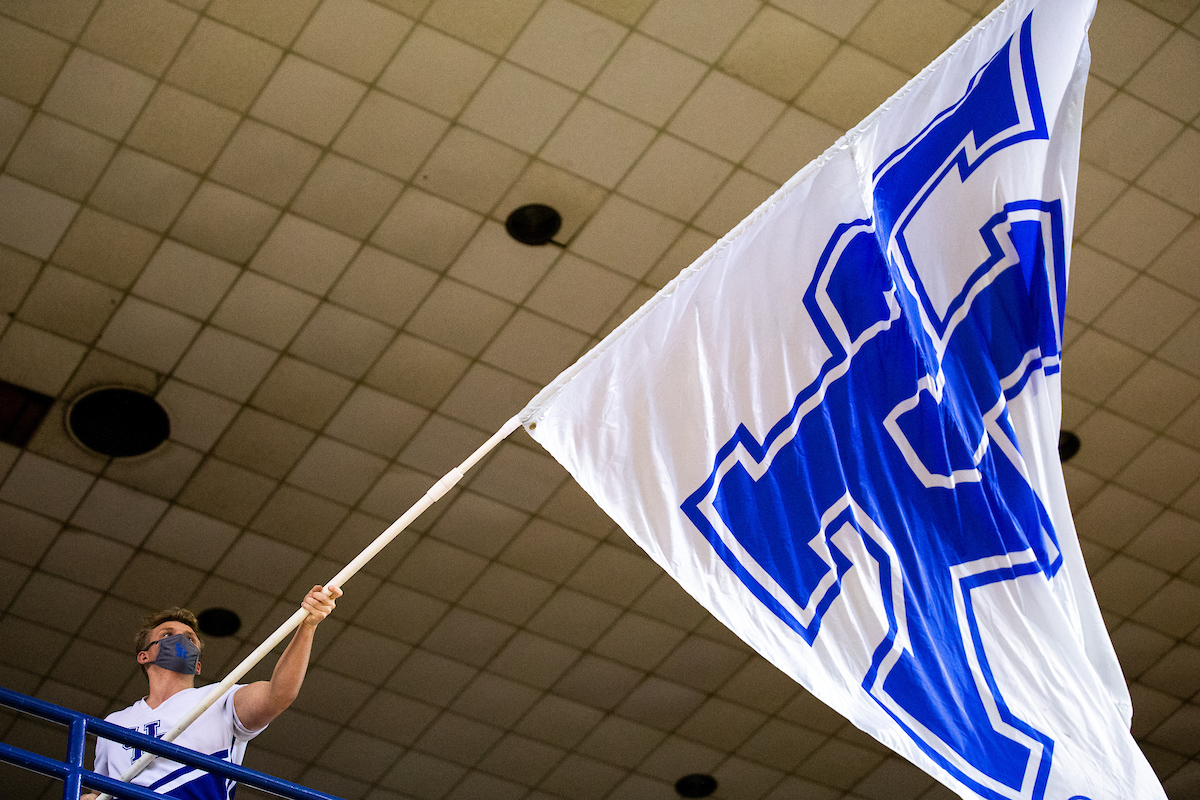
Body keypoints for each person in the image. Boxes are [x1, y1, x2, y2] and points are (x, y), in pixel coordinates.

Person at [81, 585, 342, 800]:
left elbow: (279, 695)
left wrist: (307, 626)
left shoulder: (219, 698)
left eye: (189, 638)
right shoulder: (115, 723)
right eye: (168, 634)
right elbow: (100, 791)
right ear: (143, 655)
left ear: (197, 664)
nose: (180, 640)